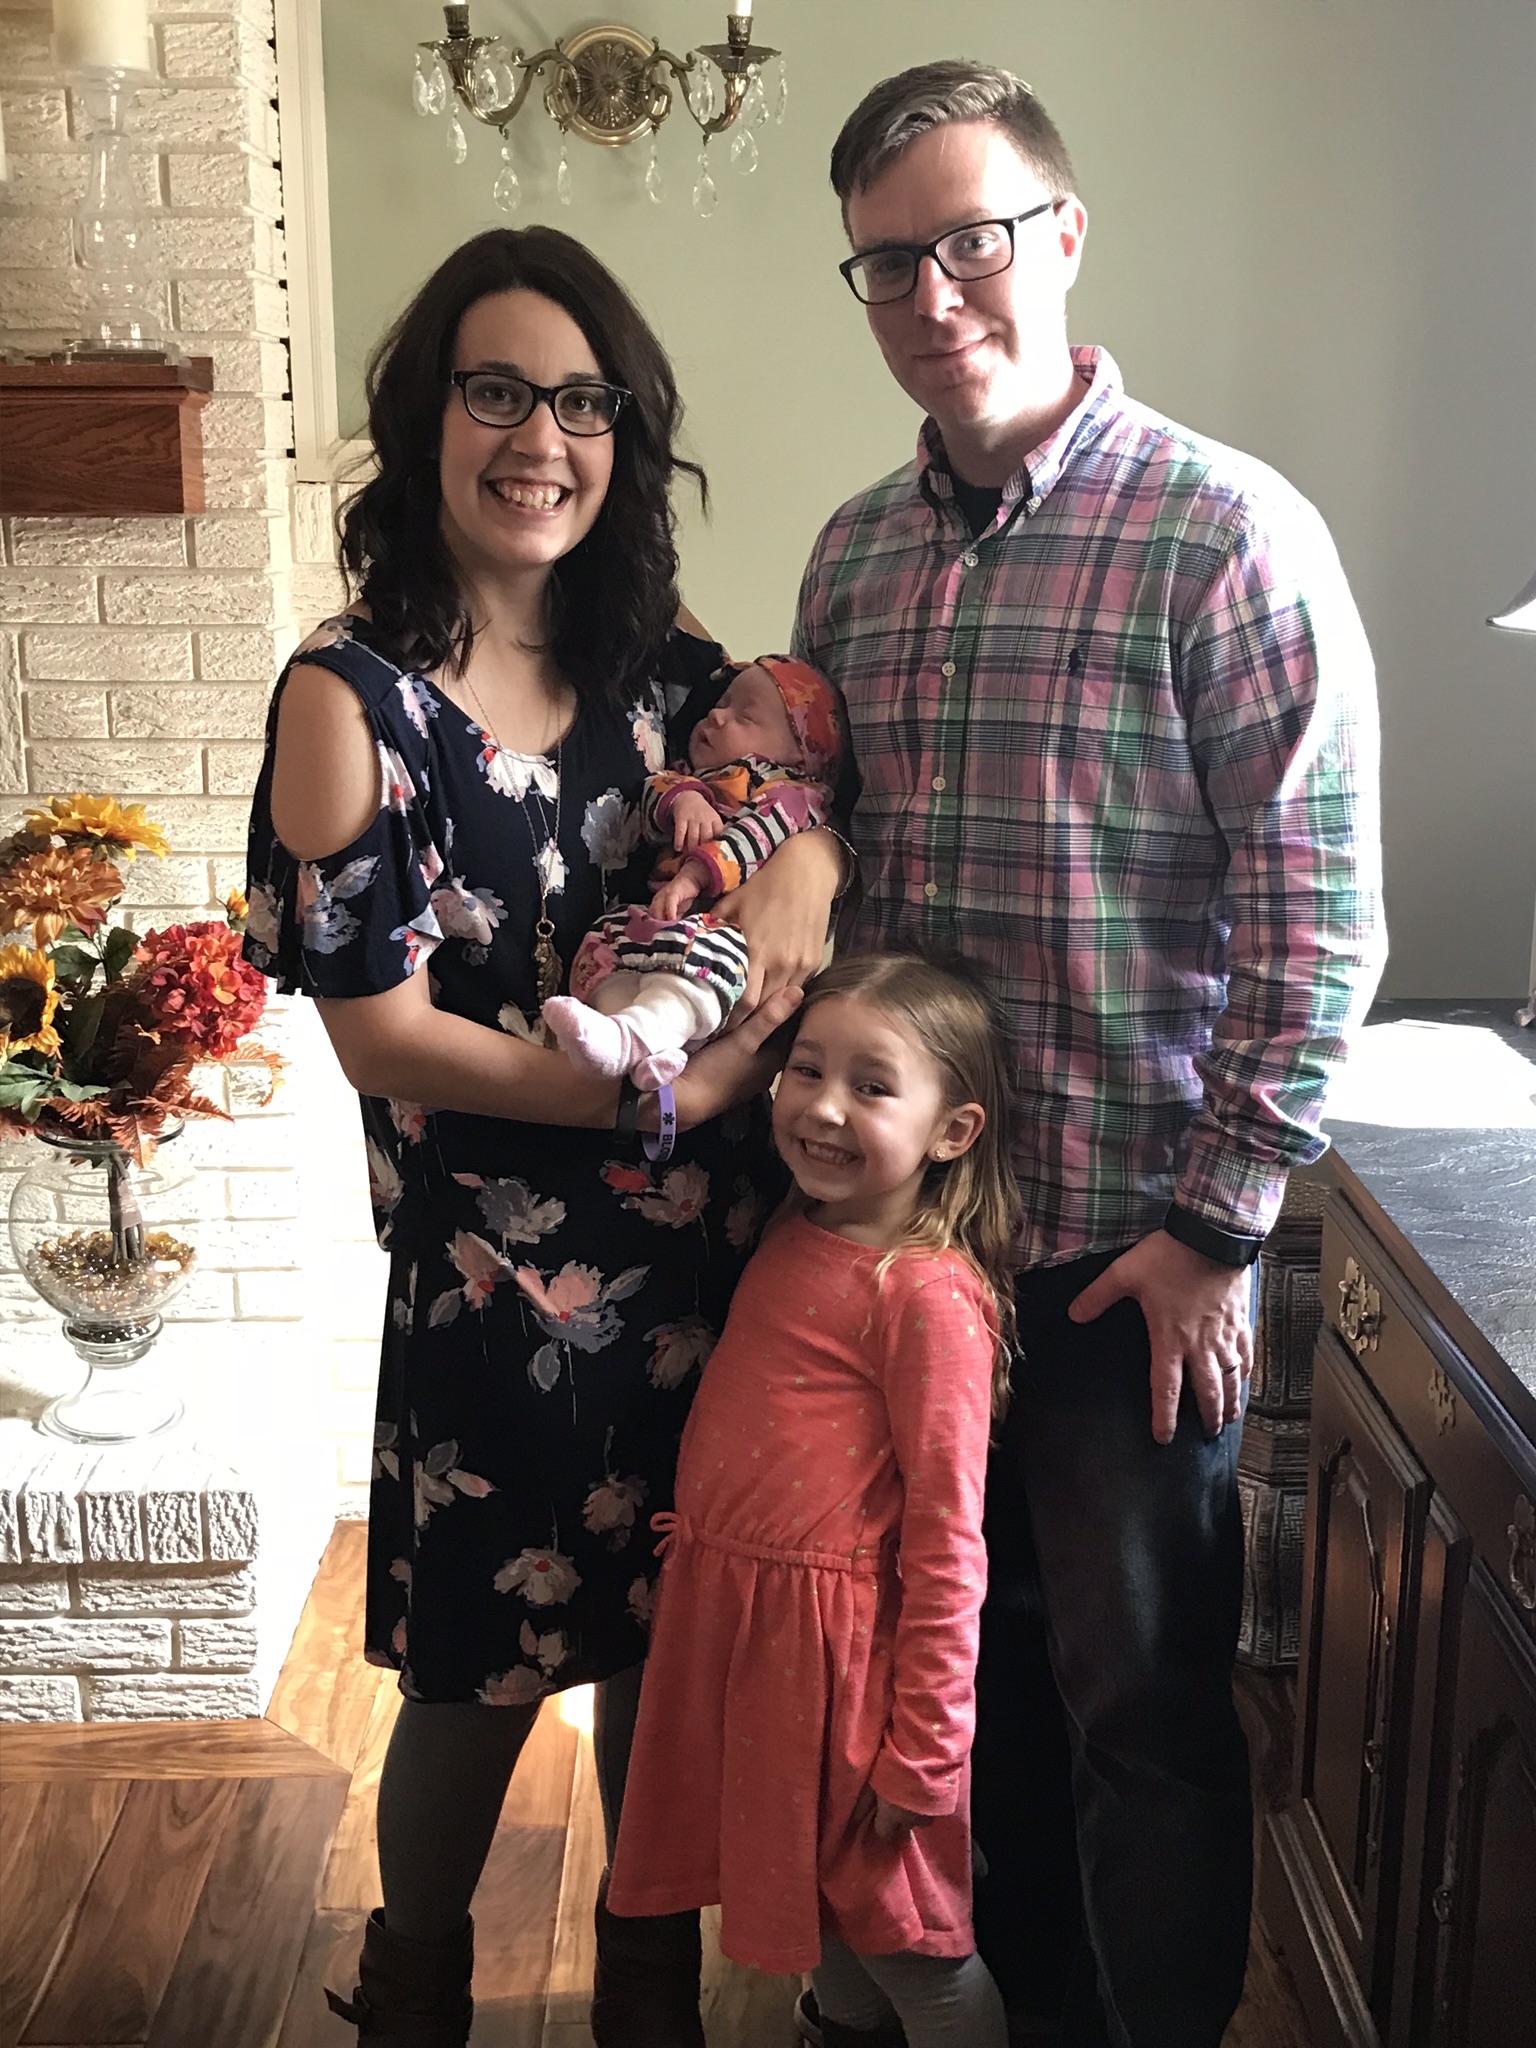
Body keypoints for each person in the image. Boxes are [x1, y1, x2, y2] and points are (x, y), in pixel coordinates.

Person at [793, 65, 1386, 2048]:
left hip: (1129, 1256)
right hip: (916, 1258)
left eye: (968, 241)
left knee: (1141, 1706)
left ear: (1060, 235)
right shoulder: (852, 561)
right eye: (887, 262)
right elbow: (829, 876)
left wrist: (1218, 1231)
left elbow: (1320, 917)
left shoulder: (1226, 534)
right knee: (957, 1685)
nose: (931, 293)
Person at [242, 226, 839, 2048]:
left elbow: (781, 792)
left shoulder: (661, 661)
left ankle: (646, 1982)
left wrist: (805, 857)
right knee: (477, 1672)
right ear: (426, 416)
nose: (541, 439)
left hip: (715, 1260)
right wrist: (666, 1091)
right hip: (503, 1283)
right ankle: (414, 1983)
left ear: (622, 436)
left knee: (672, 1633)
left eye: (583, 403)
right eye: (497, 391)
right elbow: (380, 1033)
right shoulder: (350, 699)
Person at [607, 951, 1021, 2048]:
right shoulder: (796, 1227)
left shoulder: (926, 1295)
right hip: (753, 1641)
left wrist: (925, 1749)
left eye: (872, 1085)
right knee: (817, 1903)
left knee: (909, 1945)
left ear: (953, 1131)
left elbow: (950, 1542)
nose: (824, 1107)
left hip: (844, 1670)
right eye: (807, 1069)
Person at [543, 653, 846, 1088]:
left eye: (745, 716)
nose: (717, 716)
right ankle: (626, 1041)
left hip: (722, 927)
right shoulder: (691, 775)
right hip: (662, 918)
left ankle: (639, 1040)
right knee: (606, 943)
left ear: (803, 754)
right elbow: (653, 789)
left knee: (709, 964)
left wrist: (694, 876)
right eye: (722, 703)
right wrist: (683, 798)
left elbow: (751, 839)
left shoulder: (792, 795)